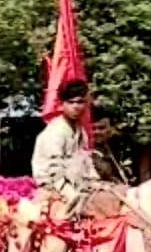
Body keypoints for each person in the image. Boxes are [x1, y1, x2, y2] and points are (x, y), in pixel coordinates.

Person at [31, 79, 100, 214]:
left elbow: (86, 160)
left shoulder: (81, 131)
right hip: (54, 189)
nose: (76, 107)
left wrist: (96, 181)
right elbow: (53, 170)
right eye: (71, 102)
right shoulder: (56, 131)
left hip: (80, 187)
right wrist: (70, 193)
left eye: (80, 102)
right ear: (62, 104)